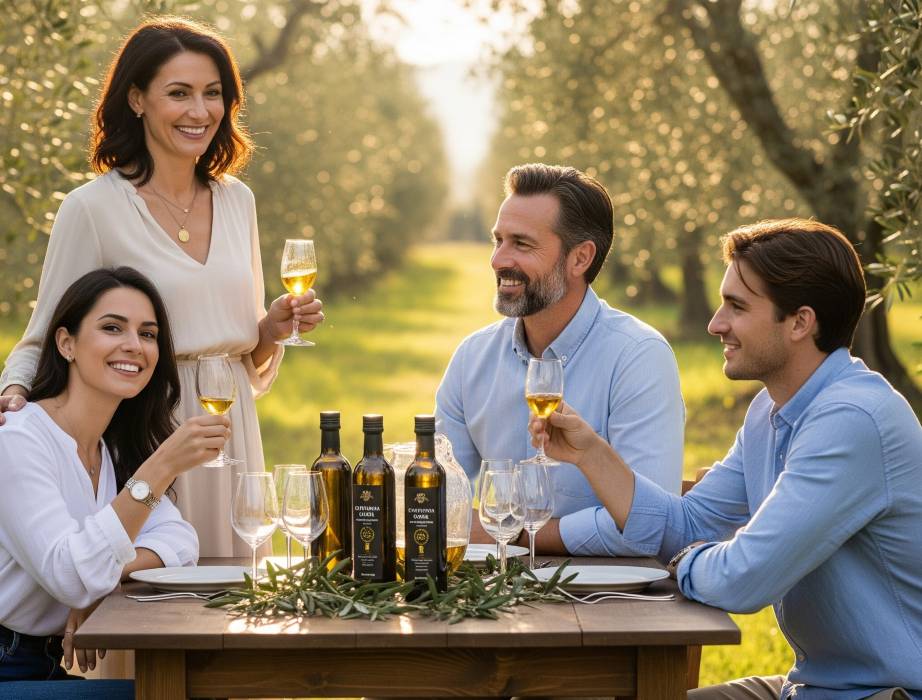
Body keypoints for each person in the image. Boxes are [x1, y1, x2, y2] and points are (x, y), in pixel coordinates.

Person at [530, 219, 922, 699]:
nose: (715, 323)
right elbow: (688, 521)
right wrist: (592, 454)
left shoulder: (854, 420)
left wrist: (683, 562)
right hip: (810, 687)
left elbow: (743, 579)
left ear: (800, 322)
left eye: (736, 306)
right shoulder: (770, 412)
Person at [0, 17, 323, 559]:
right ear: (136, 99)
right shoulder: (92, 208)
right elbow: (46, 335)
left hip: (230, 426)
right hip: (144, 429)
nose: (200, 112)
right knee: (151, 592)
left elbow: (242, 353)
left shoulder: (237, 200)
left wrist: (270, 328)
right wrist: (14, 395)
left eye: (213, 94)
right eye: (179, 93)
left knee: (230, 594)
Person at [0, 267, 229, 695]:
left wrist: (104, 576)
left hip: (41, 664)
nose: (134, 345)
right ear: (66, 343)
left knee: (205, 689)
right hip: (7, 665)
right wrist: (159, 468)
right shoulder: (18, 440)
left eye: (148, 334)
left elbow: (181, 542)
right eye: (112, 328)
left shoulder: (111, 449)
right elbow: (70, 576)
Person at [435, 163, 684, 556]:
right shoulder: (472, 358)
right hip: (489, 596)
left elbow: (652, 523)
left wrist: (515, 535)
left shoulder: (638, 357)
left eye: (522, 243)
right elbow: (437, 502)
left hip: (611, 600)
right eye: (497, 240)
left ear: (580, 258)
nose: (499, 259)